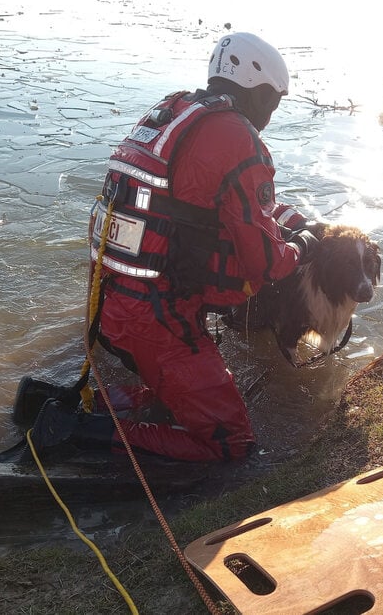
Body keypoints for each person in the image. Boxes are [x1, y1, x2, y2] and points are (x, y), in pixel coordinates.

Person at [23, 32, 318, 462]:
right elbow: (266, 262)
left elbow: (201, 201)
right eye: (273, 102)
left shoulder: (176, 111)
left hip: (109, 301)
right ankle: (74, 429)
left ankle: (63, 401)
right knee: (230, 443)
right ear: (259, 93)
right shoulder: (238, 137)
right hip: (154, 317)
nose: (270, 115)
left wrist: (289, 219)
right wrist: (305, 245)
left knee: (181, 393)